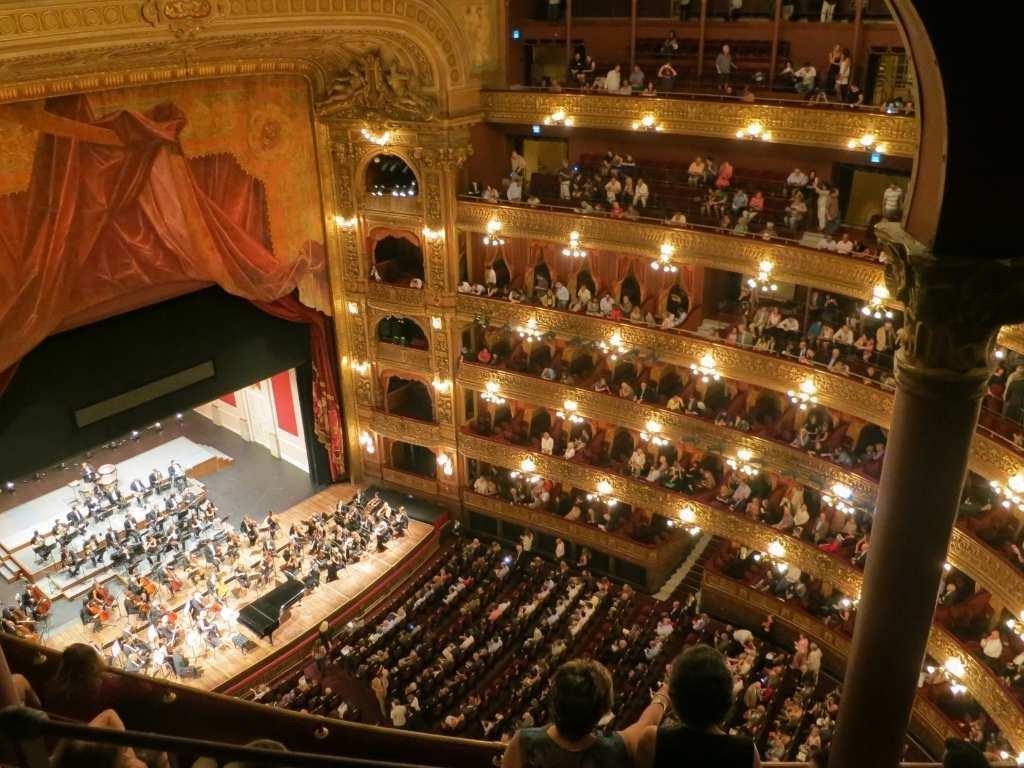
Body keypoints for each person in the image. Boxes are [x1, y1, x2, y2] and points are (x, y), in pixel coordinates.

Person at [501, 659, 669, 768]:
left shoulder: (524, 742)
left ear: (553, 702)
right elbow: (648, 721)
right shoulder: (617, 747)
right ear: (604, 710)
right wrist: (665, 689)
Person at [633, 645, 761, 768]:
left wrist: (660, 698)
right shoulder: (747, 751)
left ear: (676, 697)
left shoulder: (652, 740)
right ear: (727, 698)